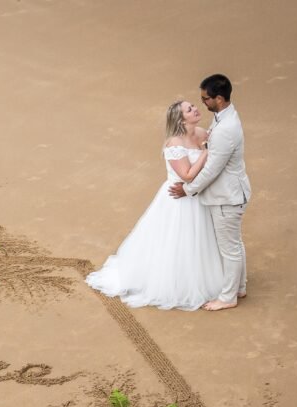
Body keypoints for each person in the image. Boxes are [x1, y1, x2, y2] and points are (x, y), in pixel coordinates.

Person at [85, 100, 224, 311]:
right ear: (181, 119)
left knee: (199, 241)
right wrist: (206, 152)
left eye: (194, 106)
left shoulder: (203, 133)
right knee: (179, 241)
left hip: (199, 197)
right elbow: (186, 175)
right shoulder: (174, 144)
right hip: (179, 201)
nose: (196, 109)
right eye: (189, 109)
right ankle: (178, 285)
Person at [168, 74, 252, 311]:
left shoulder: (225, 128)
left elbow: (212, 170)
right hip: (231, 192)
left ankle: (228, 297)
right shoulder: (224, 116)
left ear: (219, 98)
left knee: (230, 248)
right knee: (234, 243)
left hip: (227, 196)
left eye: (206, 99)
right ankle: (240, 286)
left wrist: (188, 190)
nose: (202, 103)